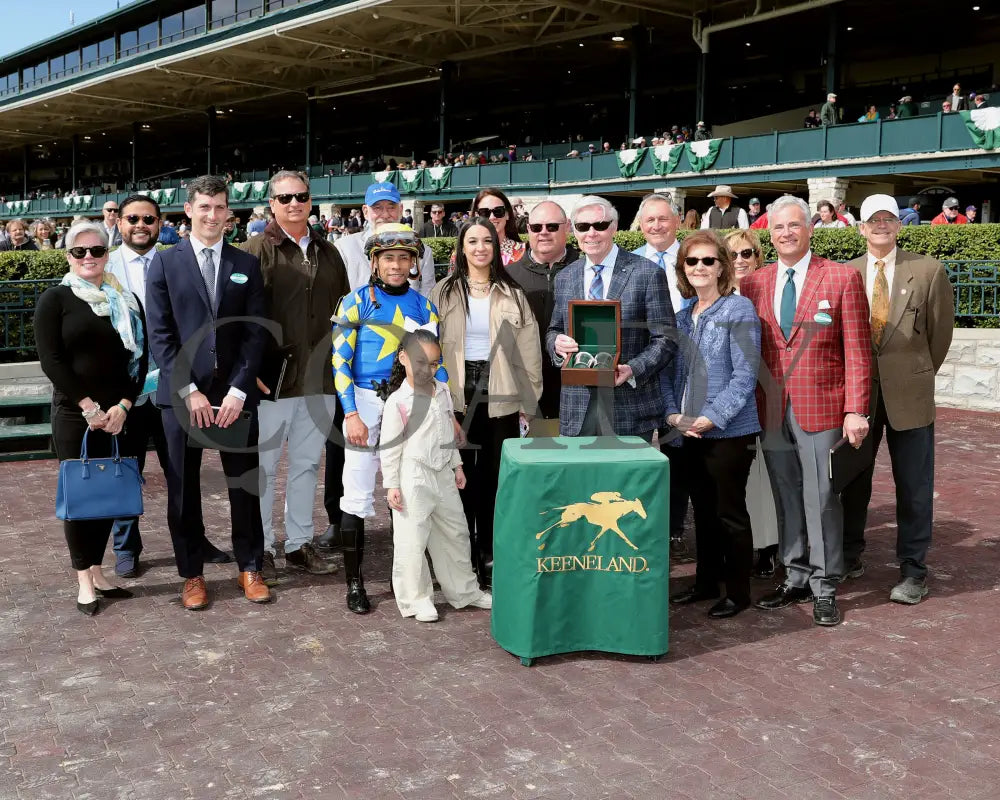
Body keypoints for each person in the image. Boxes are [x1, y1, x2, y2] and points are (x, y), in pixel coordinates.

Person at [741, 195, 872, 627]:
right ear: (770, 233)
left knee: (820, 498)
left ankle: (825, 585)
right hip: (772, 410)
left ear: (811, 228)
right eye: (778, 228)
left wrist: (856, 409)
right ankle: (793, 575)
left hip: (823, 407)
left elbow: (857, 350)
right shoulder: (754, 283)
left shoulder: (840, 279)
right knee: (785, 495)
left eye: (794, 225)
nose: (786, 233)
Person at [146, 175, 271, 610]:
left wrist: (238, 390)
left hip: (234, 398)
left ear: (228, 212)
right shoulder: (163, 263)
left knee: (245, 484)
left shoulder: (246, 263)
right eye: (205, 207)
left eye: (220, 207)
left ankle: (250, 566)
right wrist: (188, 389)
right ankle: (192, 574)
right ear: (189, 210)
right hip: (183, 398)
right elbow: (160, 334)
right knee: (182, 489)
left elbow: (255, 333)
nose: (213, 215)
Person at [106, 194, 234, 578]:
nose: (141, 225)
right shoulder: (102, 263)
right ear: (119, 222)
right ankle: (126, 546)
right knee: (125, 470)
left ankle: (194, 541)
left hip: (172, 387)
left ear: (161, 222)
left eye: (149, 219)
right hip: (124, 391)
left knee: (182, 474)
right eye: (133, 218)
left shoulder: (176, 259)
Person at [841, 195, 954, 603]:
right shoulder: (845, 273)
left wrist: (914, 375)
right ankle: (849, 555)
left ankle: (913, 570)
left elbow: (939, 337)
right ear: (861, 227)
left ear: (900, 225)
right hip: (858, 398)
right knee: (853, 482)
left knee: (914, 486)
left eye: (889, 218)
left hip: (910, 396)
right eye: (874, 219)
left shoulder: (927, 270)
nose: (882, 225)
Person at [332, 223, 447, 614]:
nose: (396, 265)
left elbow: (437, 363)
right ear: (374, 262)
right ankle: (354, 582)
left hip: (411, 401)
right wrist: (350, 413)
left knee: (414, 486)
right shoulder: (354, 302)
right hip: (364, 401)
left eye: (404, 258)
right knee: (358, 490)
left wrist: (445, 411)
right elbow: (339, 361)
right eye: (388, 258)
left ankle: (415, 576)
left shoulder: (424, 305)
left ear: (414, 263)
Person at [34, 221, 147, 615]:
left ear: (107, 254)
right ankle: (84, 578)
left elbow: (140, 361)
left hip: (117, 414)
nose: (88, 258)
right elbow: (52, 360)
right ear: (68, 256)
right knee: (81, 496)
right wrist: (88, 407)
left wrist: (123, 406)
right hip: (75, 414)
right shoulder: (56, 299)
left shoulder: (127, 300)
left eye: (96, 251)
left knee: (107, 495)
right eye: (79, 251)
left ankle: (99, 571)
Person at [243, 170, 349, 579]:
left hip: (320, 379)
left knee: (306, 465)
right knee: (265, 468)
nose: (293, 204)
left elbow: (345, 314)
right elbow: (236, 318)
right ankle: (264, 546)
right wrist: (246, 372)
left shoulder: (329, 252)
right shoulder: (255, 249)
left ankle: (300, 543)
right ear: (272, 203)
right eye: (284, 197)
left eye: (300, 196)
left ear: (310, 200)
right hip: (271, 381)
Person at [431, 220, 542, 586]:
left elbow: (529, 352)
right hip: (456, 393)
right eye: (472, 241)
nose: (480, 247)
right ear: (461, 247)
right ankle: (460, 556)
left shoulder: (512, 293)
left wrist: (530, 401)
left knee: (495, 478)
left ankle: (490, 554)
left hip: (502, 391)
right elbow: (428, 347)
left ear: (497, 247)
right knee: (459, 476)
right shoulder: (442, 293)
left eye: (487, 241)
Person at [663, 231, 761, 618]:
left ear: (722, 266)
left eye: (708, 260)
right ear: (683, 268)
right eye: (692, 261)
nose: (700, 267)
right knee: (700, 512)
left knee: (729, 513)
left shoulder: (738, 310)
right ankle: (706, 583)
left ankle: (737, 592)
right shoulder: (682, 316)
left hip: (728, 433)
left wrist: (712, 417)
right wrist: (672, 415)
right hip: (685, 432)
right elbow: (670, 375)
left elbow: (745, 374)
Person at [379, 329, 493, 622]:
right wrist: (391, 483)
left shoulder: (441, 391)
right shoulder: (398, 402)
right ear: (403, 358)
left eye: (433, 364)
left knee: (456, 532)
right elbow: (390, 448)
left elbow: (447, 433)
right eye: (420, 362)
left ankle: (464, 590)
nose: (427, 370)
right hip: (413, 475)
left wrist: (457, 465)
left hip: (443, 471)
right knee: (412, 539)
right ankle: (416, 599)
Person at [547, 195, 676, 439]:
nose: (591, 233)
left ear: (614, 227)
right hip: (577, 408)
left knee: (627, 478)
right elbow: (553, 329)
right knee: (580, 477)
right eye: (583, 227)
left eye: (600, 225)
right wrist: (556, 344)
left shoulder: (647, 273)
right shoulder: (565, 277)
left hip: (629, 406)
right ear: (574, 231)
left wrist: (633, 369)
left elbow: (666, 339)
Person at [630, 193, 690, 554]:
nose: (656, 225)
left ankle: (673, 527)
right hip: (640, 369)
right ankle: (641, 526)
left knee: (677, 452)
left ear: (678, 221)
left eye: (663, 219)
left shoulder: (694, 257)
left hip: (684, 369)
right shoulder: (630, 262)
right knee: (638, 451)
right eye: (649, 219)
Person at [724, 228, 780, 579]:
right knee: (742, 481)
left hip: (767, 396)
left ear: (758, 257)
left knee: (768, 477)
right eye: (732, 254)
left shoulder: (768, 291)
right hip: (729, 404)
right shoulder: (713, 295)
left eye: (747, 253)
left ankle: (771, 546)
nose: (740, 260)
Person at [507, 200, 579, 436]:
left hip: (580, 396)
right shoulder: (508, 277)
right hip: (527, 401)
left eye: (552, 226)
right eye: (536, 227)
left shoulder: (587, 268)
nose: (544, 232)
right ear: (527, 229)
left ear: (567, 227)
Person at [336, 182, 436, 295]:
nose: (385, 215)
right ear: (365, 211)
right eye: (377, 208)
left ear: (401, 209)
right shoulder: (344, 248)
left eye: (391, 207)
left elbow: (428, 297)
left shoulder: (423, 251)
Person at [469, 189, 526, 265]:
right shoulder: (464, 253)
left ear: (507, 214)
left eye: (498, 211)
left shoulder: (524, 252)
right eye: (485, 212)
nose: (492, 217)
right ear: (476, 216)